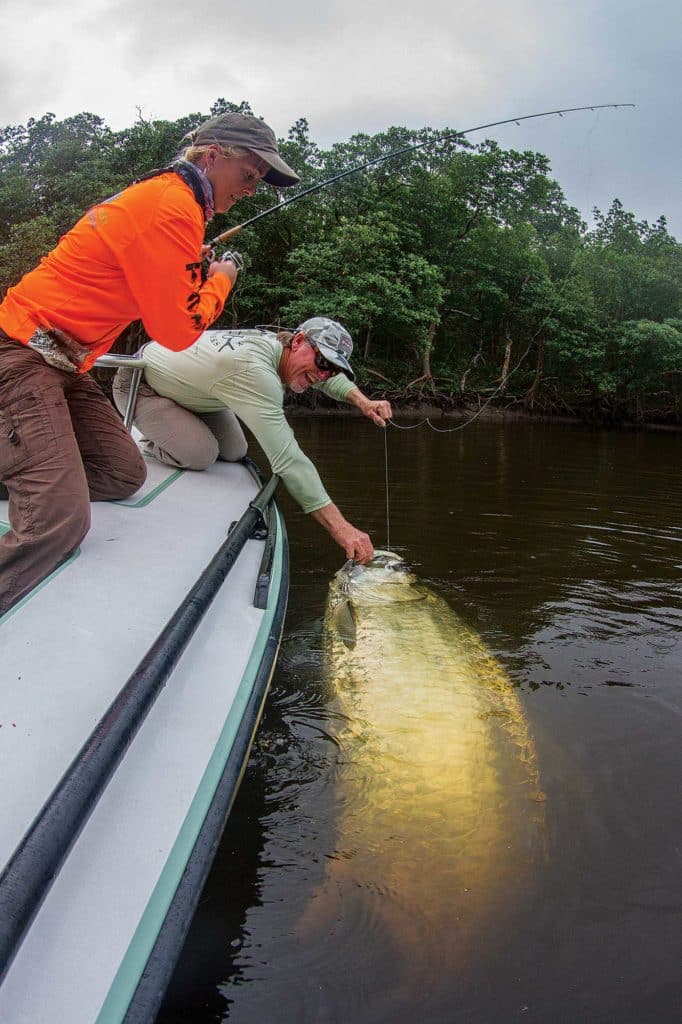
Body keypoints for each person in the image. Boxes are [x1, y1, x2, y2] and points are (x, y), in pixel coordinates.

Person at [0, 112, 300, 616]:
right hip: (18, 353)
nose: (251, 190)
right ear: (212, 156)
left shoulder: (172, 205)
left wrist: (192, 267)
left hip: (63, 365)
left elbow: (151, 281)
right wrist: (222, 277)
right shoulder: (173, 207)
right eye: (249, 175)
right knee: (60, 524)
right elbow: (177, 332)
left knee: (121, 473)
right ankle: (41, 482)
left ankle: (28, 466)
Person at [113, 317, 392, 563]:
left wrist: (363, 402)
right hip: (141, 383)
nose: (322, 374)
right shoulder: (255, 372)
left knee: (235, 450)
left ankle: (178, 425)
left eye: (331, 368)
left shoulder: (278, 346)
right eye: (322, 362)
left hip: (192, 391)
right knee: (202, 454)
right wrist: (341, 529)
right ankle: (150, 440)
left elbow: (325, 379)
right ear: (298, 341)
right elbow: (288, 460)